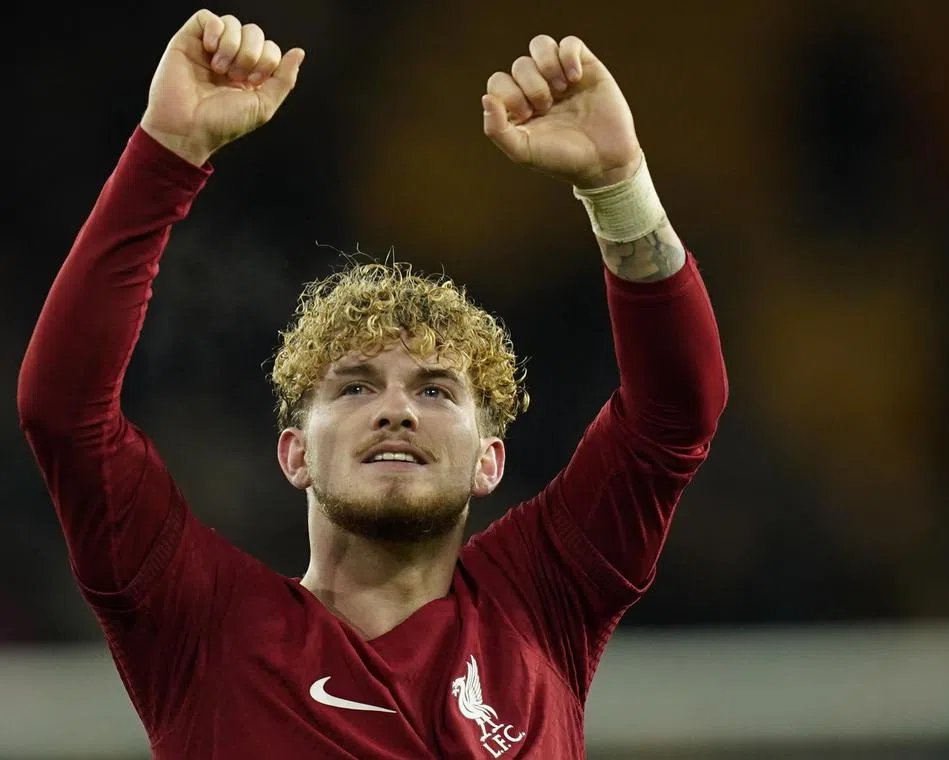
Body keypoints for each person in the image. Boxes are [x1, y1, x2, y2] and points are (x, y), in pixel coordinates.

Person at [17, 8, 728, 759]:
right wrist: (167, 152)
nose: (396, 411)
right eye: (355, 388)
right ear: (293, 452)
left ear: (491, 459)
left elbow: (676, 413)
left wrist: (619, 188)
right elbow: (65, 413)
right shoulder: (201, 624)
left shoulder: (540, 603)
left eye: (435, 391)